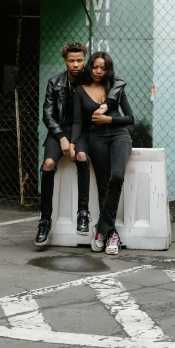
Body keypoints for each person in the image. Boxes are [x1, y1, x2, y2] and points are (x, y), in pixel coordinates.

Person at [35, 42, 126, 248]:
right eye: (71, 61)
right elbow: (48, 115)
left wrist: (105, 105)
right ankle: (44, 220)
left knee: (82, 157)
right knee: (48, 163)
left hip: (82, 131)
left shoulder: (92, 76)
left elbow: (118, 81)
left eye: (79, 61)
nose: (76, 65)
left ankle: (83, 213)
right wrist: (62, 138)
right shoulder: (54, 82)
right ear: (65, 61)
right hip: (58, 132)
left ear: (84, 60)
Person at [71, 52, 134, 256]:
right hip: (96, 138)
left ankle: (100, 230)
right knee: (103, 185)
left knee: (117, 176)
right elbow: (79, 122)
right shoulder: (80, 91)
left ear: (108, 70)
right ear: (90, 67)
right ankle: (111, 235)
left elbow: (130, 118)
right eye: (96, 67)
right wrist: (72, 143)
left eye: (103, 68)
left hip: (119, 136)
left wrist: (109, 120)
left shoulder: (114, 89)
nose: (99, 71)